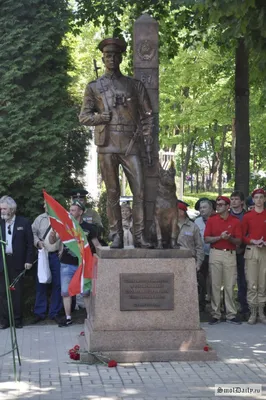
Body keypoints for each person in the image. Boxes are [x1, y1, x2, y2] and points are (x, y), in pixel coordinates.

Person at [79, 37, 153, 249]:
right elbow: (84, 117)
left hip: (131, 144)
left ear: (121, 57)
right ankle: (116, 235)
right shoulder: (94, 87)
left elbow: (148, 116)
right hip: (107, 144)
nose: (112, 59)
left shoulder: (134, 85)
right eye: (108, 55)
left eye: (115, 55)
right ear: (103, 58)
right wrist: (101, 117)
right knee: (112, 192)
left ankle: (139, 235)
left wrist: (146, 140)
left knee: (139, 191)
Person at [49, 200, 100, 327]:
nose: (70, 212)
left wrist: (101, 258)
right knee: (66, 292)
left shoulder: (89, 228)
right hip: (66, 263)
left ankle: (89, 317)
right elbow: (52, 241)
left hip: (83, 265)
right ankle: (68, 318)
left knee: (86, 293)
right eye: (70, 210)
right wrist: (52, 235)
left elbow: (96, 244)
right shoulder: (66, 226)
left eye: (73, 210)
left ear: (81, 212)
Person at [204, 196, 242, 325]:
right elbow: (206, 239)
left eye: (221, 204)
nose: (218, 206)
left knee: (230, 285)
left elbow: (239, 241)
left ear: (227, 207)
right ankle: (216, 314)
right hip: (215, 253)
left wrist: (229, 238)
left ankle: (231, 314)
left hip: (230, 254)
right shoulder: (212, 220)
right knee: (215, 284)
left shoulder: (235, 221)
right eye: (217, 204)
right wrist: (220, 237)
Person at [0, 196, 34, 329]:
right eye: (1, 209)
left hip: (18, 262)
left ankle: (17, 320)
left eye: (4, 208)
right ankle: (4, 321)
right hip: (2, 261)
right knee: (2, 292)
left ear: (12, 209)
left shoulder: (23, 222)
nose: (2, 211)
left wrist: (29, 260)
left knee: (17, 291)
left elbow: (29, 244)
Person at [31, 203, 63, 323]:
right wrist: (37, 242)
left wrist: (62, 249)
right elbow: (32, 232)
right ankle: (39, 313)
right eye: (45, 206)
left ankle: (55, 312)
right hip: (43, 254)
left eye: (49, 205)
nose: (47, 207)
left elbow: (66, 236)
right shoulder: (39, 219)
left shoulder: (60, 219)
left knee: (57, 284)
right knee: (41, 283)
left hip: (56, 255)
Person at [242, 188, 266, 325]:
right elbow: (242, 236)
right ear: (253, 199)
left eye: (261, 197)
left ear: (264, 199)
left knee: (263, 283)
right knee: (252, 283)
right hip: (252, 250)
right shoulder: (247, 216)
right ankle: (253, 312)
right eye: (256, 197)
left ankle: (261, 312)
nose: (258, 200)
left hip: (264, 250)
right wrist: (252, 241)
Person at [230, 190, 249, 319]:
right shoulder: (226, 215)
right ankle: (228, 309)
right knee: (228, 281)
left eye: (236, 199)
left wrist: (242, 247)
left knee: (243, 280)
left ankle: (244, 307)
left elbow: (249, 233)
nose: (233, 201)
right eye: (232, 199)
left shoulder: (246, 216)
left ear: (242, 202)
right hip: (229, 251)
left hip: (243, 252)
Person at [195, 199, 213, 312]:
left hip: (214, 254)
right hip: (202, 255)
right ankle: (201, 305)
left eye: (204, 207)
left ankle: (213, 304)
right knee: (201, 280)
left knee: (213, 282)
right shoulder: (196, 221)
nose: (202, 209)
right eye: (200, 208)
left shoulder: (216, 220)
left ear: (211, 209)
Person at [177, 201, 204, 273]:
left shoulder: (193, 227)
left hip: (189, 259)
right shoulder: (169, 226)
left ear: (182, 212)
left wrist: (198, 264)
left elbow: (199, 247)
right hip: (174, 259)